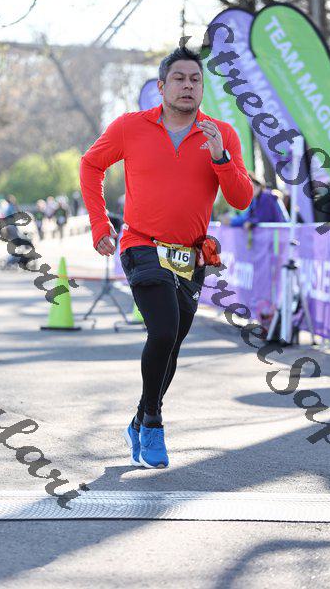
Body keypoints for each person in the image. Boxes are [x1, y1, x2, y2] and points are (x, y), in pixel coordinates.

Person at [80, 47, 253, 469]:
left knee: (172, 342)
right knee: (163, 331)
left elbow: (241, 199)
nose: (187, 86)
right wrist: (100, 224)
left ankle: (139, 418)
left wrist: (221, 159)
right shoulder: (130, 126)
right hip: (141, 244)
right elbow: (90, 165)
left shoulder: (221, 135)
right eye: (179, 78)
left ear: (202, 87)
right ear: (162, 86)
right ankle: (154, 421)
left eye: (195, 79)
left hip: (190, 256)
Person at [221, 172, 288, 228]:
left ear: (258, 184)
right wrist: (232, 221)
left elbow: (264, 217)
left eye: (253, 185)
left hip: (280, 234)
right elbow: (247, 216)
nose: (251, 188)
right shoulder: (255, 199)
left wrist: (251, 222)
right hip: (272, 234)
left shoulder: (266, 196)